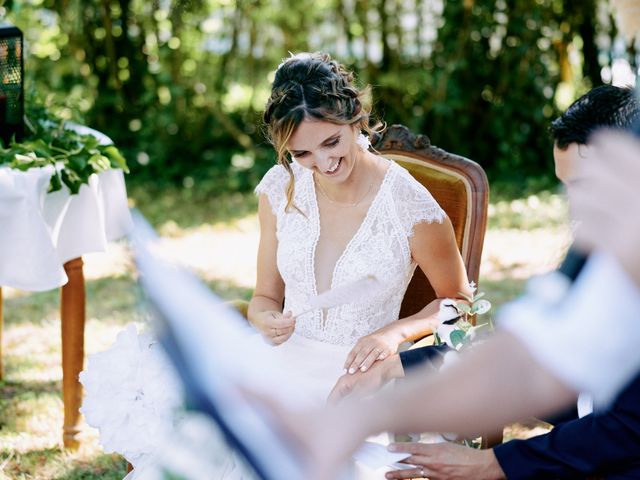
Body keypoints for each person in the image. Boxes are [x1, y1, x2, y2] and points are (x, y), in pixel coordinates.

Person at [256, 107, 640, 480]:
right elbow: (533, 364)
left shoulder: (406, 200)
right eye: (567, 187)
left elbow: (623, 429)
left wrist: (492, 464)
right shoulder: (609, 265)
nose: (576, 210)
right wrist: (381, 391)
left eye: (589, 186)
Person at [247, 51, 471, 404]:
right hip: (277, 370)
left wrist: (393, 334)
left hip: (356, 382)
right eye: (301, 153)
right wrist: (264, 319)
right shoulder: (280, 188)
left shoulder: (408, 204)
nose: (323, 163)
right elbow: (264, 298)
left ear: (356, 117)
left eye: (331, 142)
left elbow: (458, 301)